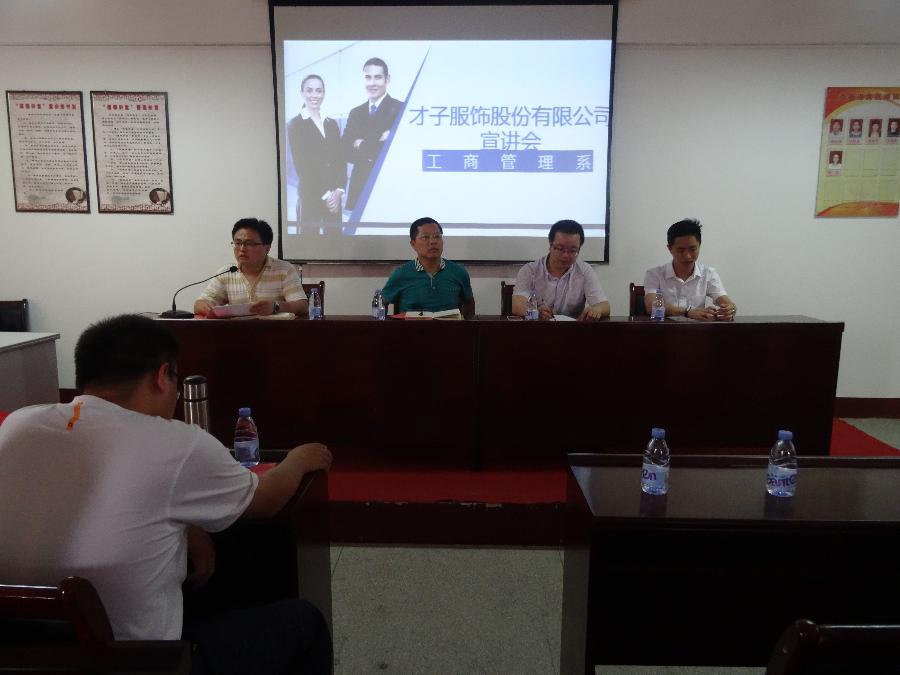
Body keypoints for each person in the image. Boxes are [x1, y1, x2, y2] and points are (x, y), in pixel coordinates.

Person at [0, 314, 333, 673]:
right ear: (162, 376)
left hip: (19, 654)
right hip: (138, 662)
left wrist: (187, 526)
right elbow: (267, 500)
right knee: (304, 622)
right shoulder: (177, 443)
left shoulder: (19, 424)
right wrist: (298, 459)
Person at [193, 218, 308, 317]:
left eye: (249, 244)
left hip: (275, 332)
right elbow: (200, 303)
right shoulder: (226, 272)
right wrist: (203, 305)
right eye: (238, 243)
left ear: (267, 248)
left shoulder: (284, 270)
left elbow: (302, 306)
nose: (242, 249)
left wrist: (275, 307)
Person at [511, 219, 610, 321]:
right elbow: (516, 304)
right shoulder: (530, 270)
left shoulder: (584, 271)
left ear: (579, 249)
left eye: (572, 250)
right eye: (560, 248)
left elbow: (604, 305)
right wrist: (536, 312)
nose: (566, 255)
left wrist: (596, 309)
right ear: (550, 246)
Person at [643, 218, 736, 321]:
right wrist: (687, 312)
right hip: (664, 330)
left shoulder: (708, 274)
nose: (687, 256)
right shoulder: (654, 274)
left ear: (699, 246)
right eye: (681, 250)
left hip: (696, 330)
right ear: (670, 249)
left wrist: (729, 310)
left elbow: (726, 302)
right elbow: (651, 307)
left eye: (692, 249)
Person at [381, 217, 475, 318]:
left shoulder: (458, 272)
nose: (433, 241)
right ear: (413, 244)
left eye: (437, 236)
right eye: (425, 237)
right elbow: (381, 305)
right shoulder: (401, 274)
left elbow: (469, 306)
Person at [342, 57, 403, 211]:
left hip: (388, 186)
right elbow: (345, 150)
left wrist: (360, 144)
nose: (372, 83)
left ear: (387, 79)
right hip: (359, 186)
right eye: (368, 77)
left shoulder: (400, 109)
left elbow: (397, 152)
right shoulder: (355, 113)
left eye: (378, 77)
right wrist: (378, 142)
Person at [287, 74, 345, 223]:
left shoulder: (331, 124)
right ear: (302, 93)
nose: (314, 95)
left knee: (335, 236)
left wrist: (338, 191)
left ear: (323, 93)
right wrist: (328, 196)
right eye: (309, 90)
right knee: (309, 236)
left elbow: (340, 159)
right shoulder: (295, 124)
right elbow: (302, 166)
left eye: (319, 91)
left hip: (334, 199)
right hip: (310, 197)